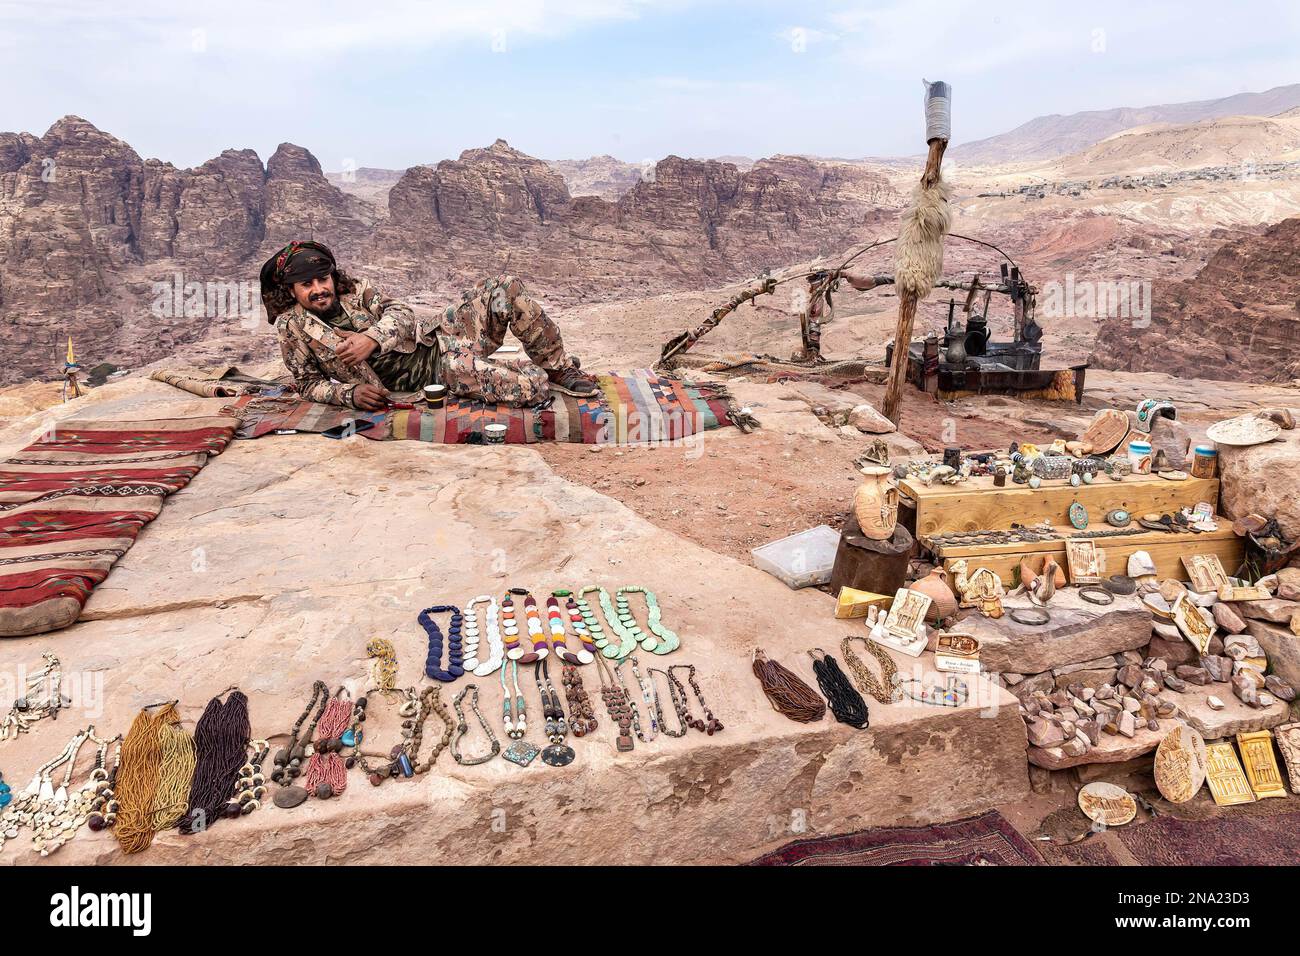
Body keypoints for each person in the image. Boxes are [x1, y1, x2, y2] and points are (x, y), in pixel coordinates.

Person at [258, 240, 597, 410]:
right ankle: (527, 373)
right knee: (531, 389)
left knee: (504, 288)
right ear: (292, 290)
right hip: (436, 374)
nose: (318, 289)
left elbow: (402, 314)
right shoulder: (292, 326)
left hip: (437, 338)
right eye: (307, 285)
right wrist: (348, 393)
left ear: (332, 276)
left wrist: (372, 338)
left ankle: (557, 368)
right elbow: (306, 383)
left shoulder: (356, 290)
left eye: (323, 279)